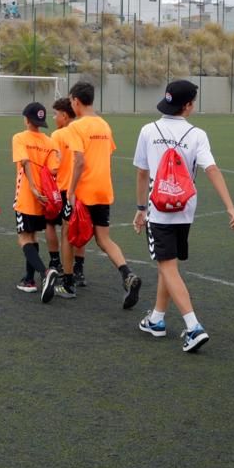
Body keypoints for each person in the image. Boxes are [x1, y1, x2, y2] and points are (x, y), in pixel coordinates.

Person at [132, 80, 234, 350]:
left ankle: (193, 327)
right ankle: (157, 319)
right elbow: (211, 169)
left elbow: (142, 173)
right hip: (184, 209)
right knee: (168, 264)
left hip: (158, 209)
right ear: (189, 105)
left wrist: (141, 208)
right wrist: (230, 207)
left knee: (167, 266)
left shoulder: (148, 130)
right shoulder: (197, 134)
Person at [66, 81, 144, 309]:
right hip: (103, 189)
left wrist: (71, 191)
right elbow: (107, 156)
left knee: (72, 234)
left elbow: (79, 161)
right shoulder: (104, 125)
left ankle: (68, 281)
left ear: (76, 101)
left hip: (84, 190)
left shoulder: (76, 127)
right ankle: (127, 274)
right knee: (104, 239)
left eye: (71, 101)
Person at [11, 102, 62, 297]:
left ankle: (45, 273)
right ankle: (29, 280)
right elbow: (54, 170)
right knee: (32, 236)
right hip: (44, 198)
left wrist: (32, 187)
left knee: (24, 238)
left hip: (27, 196)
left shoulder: (19, 138)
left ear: (26, 119)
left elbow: (24, 163)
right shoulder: (50, 142)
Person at [49, 98, 81, 295]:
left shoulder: (57, 135)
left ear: (64, 115)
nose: (54, 118)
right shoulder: (80, 131)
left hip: (62, 189)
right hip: (80, 189)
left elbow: (54, 166)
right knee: (79, 228)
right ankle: (79, 270)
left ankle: (57, 264)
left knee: (55, 226)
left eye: (56, 114)